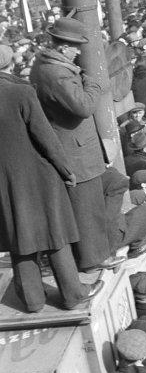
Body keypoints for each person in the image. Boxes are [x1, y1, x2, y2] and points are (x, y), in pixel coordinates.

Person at [0, 44, 103, 312]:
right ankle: (72, 294)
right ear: (10, 64)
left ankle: (32, 301)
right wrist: (66, 169)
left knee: (19, 237)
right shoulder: (20, 92)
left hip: (3, 183)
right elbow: (44, 136)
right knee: (56, 234)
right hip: (37, 175)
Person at [29, 18, 122, 272]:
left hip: (74, 146)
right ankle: (92, 260)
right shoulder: (57, 74)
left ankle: (93, 254)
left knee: (92, 201)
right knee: (86, 208)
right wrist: (92, 83)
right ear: (62, 47)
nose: (79, 51)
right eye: (75, 47)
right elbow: (83, 106)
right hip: (76, 151)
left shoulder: (48, 64)